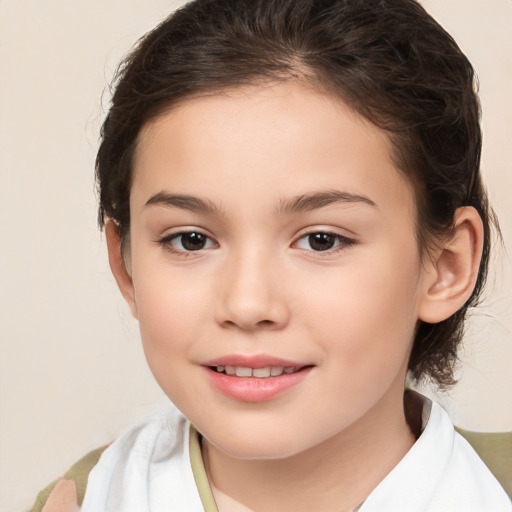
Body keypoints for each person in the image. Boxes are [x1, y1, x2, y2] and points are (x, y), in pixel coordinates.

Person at [31, 0, 511, 510]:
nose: (246, 304)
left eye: (321, 239)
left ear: (445, 266)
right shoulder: (88, 497)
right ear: (126, 266)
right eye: (190, 239)